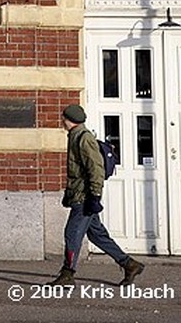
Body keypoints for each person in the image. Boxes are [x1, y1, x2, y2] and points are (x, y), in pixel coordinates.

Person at [52, 105, 145, 287]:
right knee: (97, 235)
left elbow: (95, 168)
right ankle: (129, 264)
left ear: (69, 119)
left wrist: (94, 196)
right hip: (80, 194)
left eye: (63, 118)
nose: (61, 121)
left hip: (85, 196)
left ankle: (67, 274)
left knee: (72, 234)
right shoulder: (75, 135)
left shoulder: (84, 138)